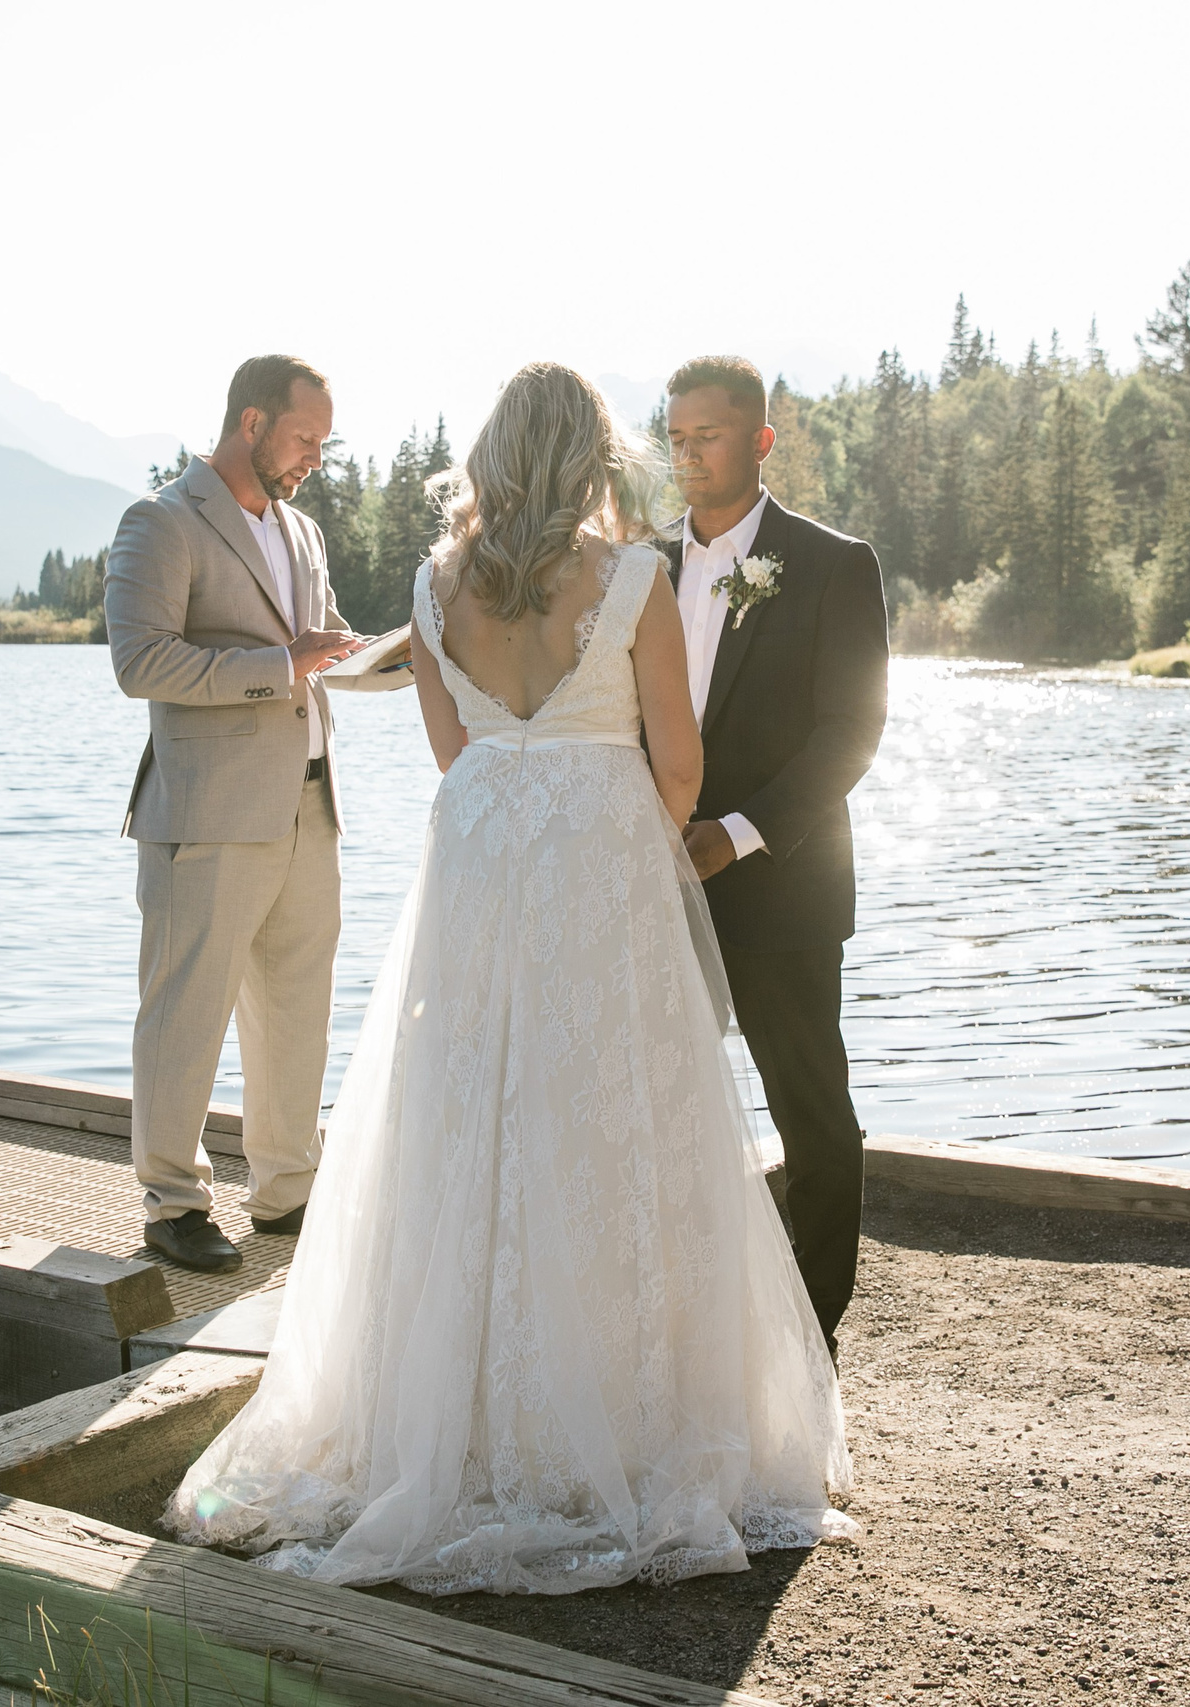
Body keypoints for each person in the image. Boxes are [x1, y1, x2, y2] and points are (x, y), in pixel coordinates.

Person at [165, 362, 852, 1594]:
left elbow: (450, 751)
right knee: (614, 1111)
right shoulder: (632, 575)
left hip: (479, 852)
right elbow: (678, 767)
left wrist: (517, 793)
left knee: (469, 1105)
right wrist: (629, 840)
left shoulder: (434, 586)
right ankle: (617, 1410)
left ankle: (459, 1413)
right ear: (591, 457)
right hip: (600, 847)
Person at [105, 355, 363, 1275]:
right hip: (207, 814)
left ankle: (287, 1194)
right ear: (250, 423)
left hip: (308, 804)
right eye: (305, 439)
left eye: (324, 444)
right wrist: (282, 664)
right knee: (186, 1010)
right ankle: (173, 1202)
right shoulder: (161, 521)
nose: (315, 460)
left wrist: (381, 659)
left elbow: (313, 646)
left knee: (298, 1007)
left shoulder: (301, 531)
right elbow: (140, 663)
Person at [661, 356, 889, 1355]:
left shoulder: (834, 563)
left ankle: (810, 1334)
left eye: (705, 435)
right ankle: (677, 1323)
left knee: (812, 1114)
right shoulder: (633, 568)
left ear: (758, 440)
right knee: (651, 1099)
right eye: (674, 436)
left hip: (781, 884)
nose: (686, 454)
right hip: (648, 882)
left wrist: (738, 835)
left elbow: (851, 732)